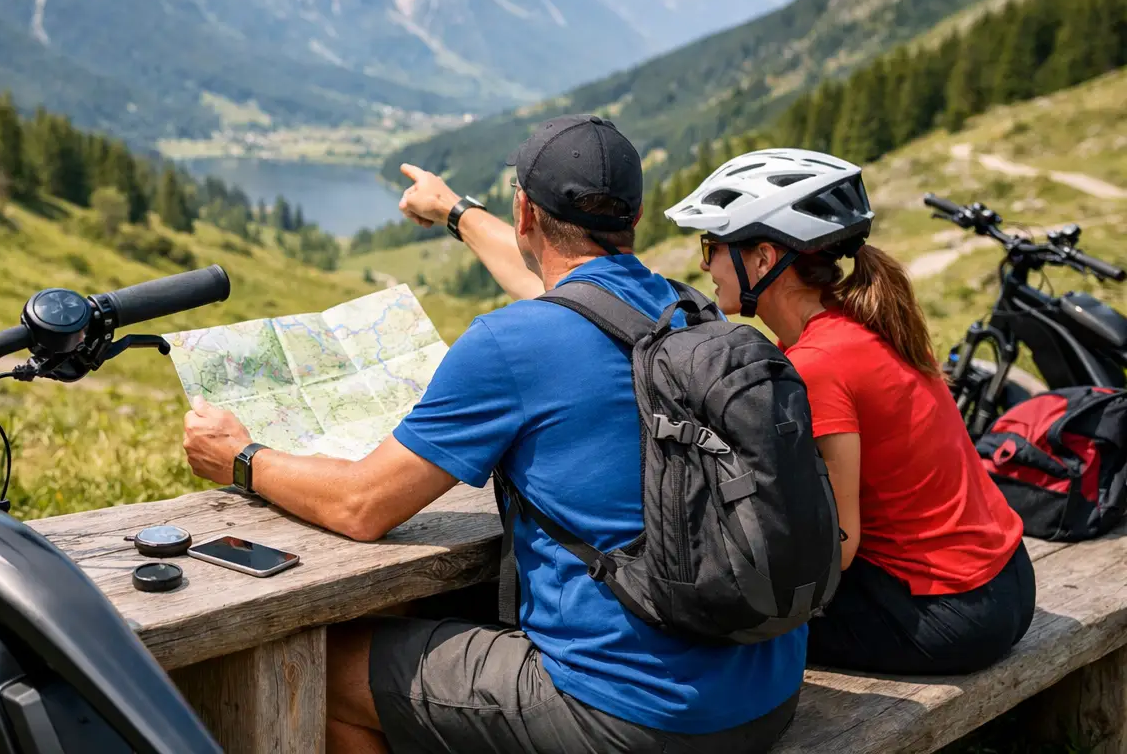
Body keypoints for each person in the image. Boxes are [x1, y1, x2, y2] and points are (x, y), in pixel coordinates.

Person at [183, 116, 805, 754]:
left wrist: (239, 456)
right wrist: (454, 211)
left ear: (524, 211)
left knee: (327, 672)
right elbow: (559, 284)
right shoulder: (683, 312)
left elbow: (361, 506)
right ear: (636, 215)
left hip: (631, 714)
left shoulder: (511, 343)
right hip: (766, 697)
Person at [666, 148, 1034, 675]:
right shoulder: (871, 321)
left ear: (764, 258)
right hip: (1006, 577)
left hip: (951, 611)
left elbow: (838, 547)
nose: (705, 265)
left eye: (713, 247)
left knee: (708, 623)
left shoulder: (817, 364)